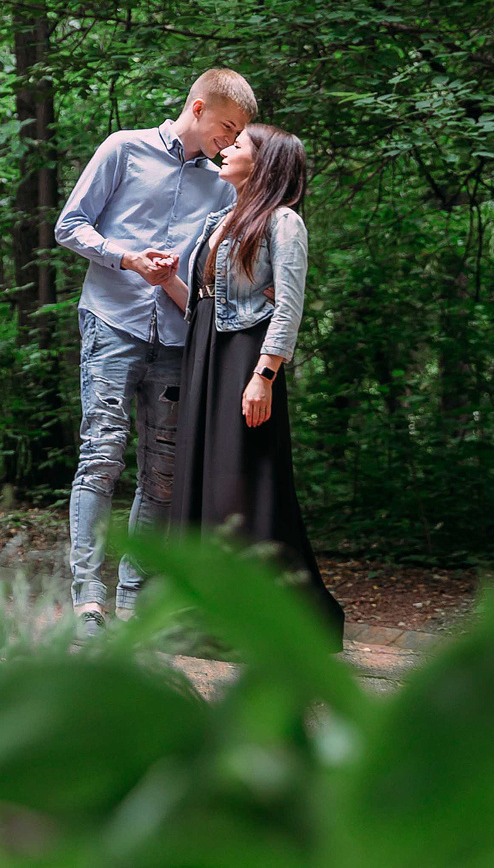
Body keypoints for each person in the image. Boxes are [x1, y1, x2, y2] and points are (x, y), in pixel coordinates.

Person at [55, 68, 257, 630]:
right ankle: (88, 598)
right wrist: (127, 258)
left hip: (177, 338)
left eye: (239, 133)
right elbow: (69, 225)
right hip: (112, 323)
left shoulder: (223, 185)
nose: (231, 140)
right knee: (101, 456)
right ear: (199, 108)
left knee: (163, 475)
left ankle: (134, 602)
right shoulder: (124, 148)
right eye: (227, 126)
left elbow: (216, 277)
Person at [152, 122, 345, 645]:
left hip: (246, 360)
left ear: (262, 162)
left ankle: (260, 621)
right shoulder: (220, 219)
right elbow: (204, 304)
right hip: (205, 356)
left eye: (237, 145)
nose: (226, 150)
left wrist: (264, 375)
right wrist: (168, 280)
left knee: (239, 485)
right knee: (200, 480)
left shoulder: (283, 222)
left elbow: (289, 305)